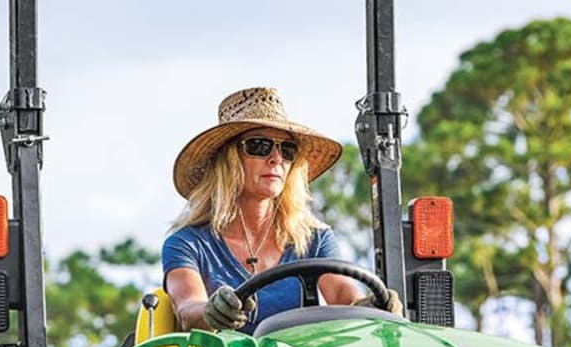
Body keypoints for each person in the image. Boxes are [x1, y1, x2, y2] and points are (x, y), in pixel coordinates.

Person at [162, 87, 402, 334]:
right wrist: (212, 312)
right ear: (228, 160)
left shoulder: (314, 239)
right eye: (259, 146)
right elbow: (188, 309)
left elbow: (345, 296)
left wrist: (369, 305)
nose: (276, 158)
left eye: (287, 150)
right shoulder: (187, 243)